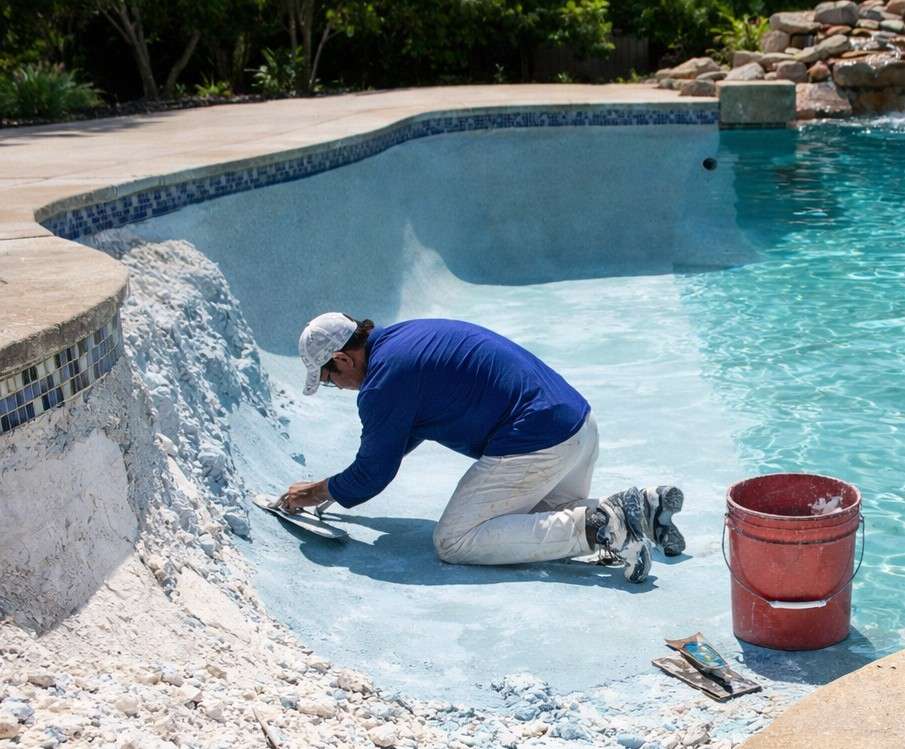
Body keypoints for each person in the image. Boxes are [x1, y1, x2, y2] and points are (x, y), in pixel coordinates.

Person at [280, 312, 685, 583]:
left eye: (329, 380)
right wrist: (338, 488)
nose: (337, 388)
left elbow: (375, 472)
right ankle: (642, 509)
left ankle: (604, 524)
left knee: (454, 541)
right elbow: (395, 440)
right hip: (579, 427)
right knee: (534, 527)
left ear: (342, 359)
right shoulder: (407, 338)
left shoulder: (383, 381)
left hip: (538, 443)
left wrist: (317, 491)